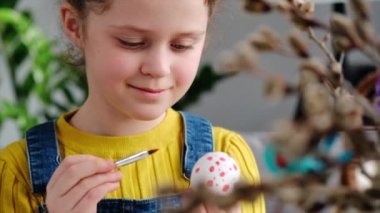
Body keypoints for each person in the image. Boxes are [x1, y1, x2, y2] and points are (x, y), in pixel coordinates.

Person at [0, 0, 265, 212]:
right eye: (132, 42)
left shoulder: (229, 156)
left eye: (181, 45)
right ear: (75, 26)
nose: (159, 68)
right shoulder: (16, 174)